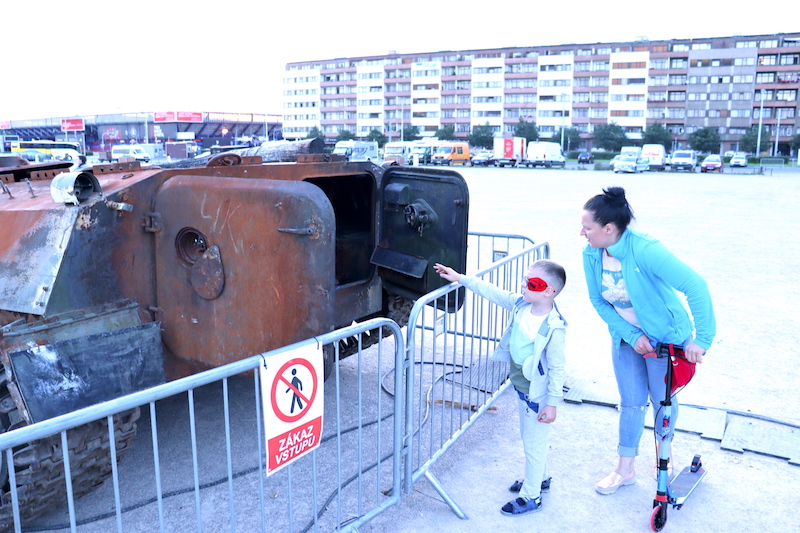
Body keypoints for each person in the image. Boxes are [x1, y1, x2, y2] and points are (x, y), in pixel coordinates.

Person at [580, 186, 715, 495]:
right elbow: (598, 301)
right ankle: (624, 469)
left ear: (608, 228)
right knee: (631, 402)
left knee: (661, 401)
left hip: (665, 340)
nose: (582, 233)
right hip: (627, 338)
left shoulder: (645, 249)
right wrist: (632, 335)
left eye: (587, 227)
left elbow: (695, 285)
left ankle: (663, 456)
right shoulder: (591, 253)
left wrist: (703, 339)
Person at [433, 259, 567, 517]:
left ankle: (532, 496)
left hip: (537, 396)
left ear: (548, 291)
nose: (523, 286)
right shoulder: (521, 305)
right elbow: (492, 292)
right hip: (522, 387)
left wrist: (552, 404)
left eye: (532, 283)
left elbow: (558, 369)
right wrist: (460, 278)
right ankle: (540, 479)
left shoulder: (554, 327)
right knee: (531, 439)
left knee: (533, 444)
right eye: (524, 280)